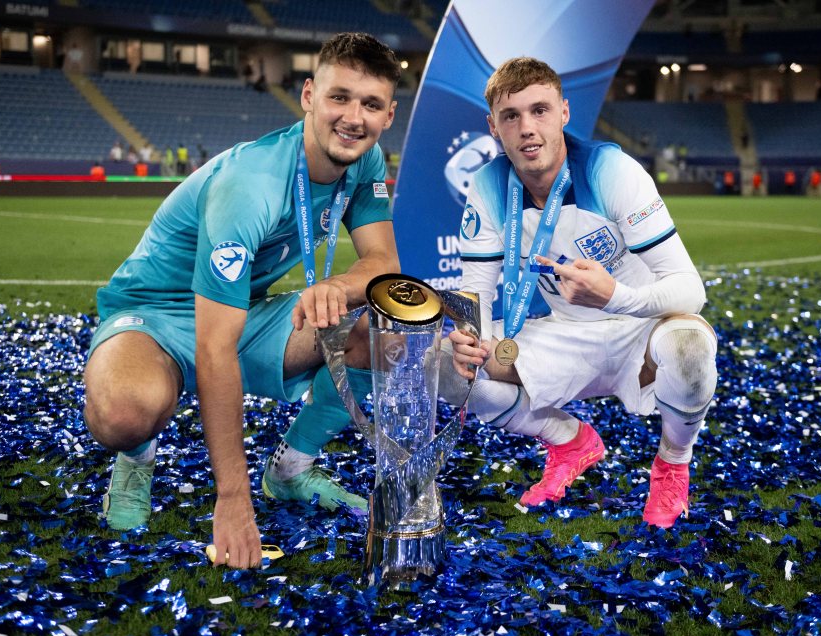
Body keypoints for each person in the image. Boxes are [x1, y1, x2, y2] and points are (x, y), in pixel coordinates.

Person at [82, 32, 401, 568]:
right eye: (339, 97)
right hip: (154, 317)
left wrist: (337, 287)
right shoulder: (250, 186)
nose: (353, 117)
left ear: (388, 116)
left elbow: (383, 266)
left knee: (383, 333)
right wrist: (232, 499)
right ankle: (136, 459)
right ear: (307, 97)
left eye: (370, 104)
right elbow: (213, 349)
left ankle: (291, 470)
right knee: (124, 413)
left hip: (241, 312)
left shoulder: (364, 163)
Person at [440, 57, 717, 529]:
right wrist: (470, 337)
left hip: (640, 329)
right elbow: (478, 292)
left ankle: (673, 462)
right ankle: (568, 440)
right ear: (494, 126)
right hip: (566, 333)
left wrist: (615, 297)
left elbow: (691, 289)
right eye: (511, 116)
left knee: (690, 345)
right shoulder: (487, 185)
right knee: (442, 364)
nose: (528, 128)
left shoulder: (610, 169)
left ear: (564, 113)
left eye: (540, 110)